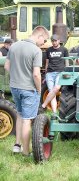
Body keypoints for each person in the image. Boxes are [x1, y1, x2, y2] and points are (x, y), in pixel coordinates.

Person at [4, 26, 49, 155]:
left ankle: (17, 146)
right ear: (40, 35)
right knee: (27, 120)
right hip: (29, 89)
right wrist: (39, 90)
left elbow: (7, 66)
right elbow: (36, 75)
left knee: (19, 114)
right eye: (44, 40)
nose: (44, 43)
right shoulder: (36, 50)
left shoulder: (14, 46)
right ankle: (26, 152)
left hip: (14, 87)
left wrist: (17, 74)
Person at [40, 34, 69, 113]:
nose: (54, 42)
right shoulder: (48, 50)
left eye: (55, 41)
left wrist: (67, 71)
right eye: (52, 41)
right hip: (50, 73)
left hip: (60, 72)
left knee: (56, 89)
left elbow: (67, 62)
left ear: (59, 41)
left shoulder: (64, 50)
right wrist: (45, 74)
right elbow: (47, 62)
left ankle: (44, 105)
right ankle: (54, 113)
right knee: (51, 93)